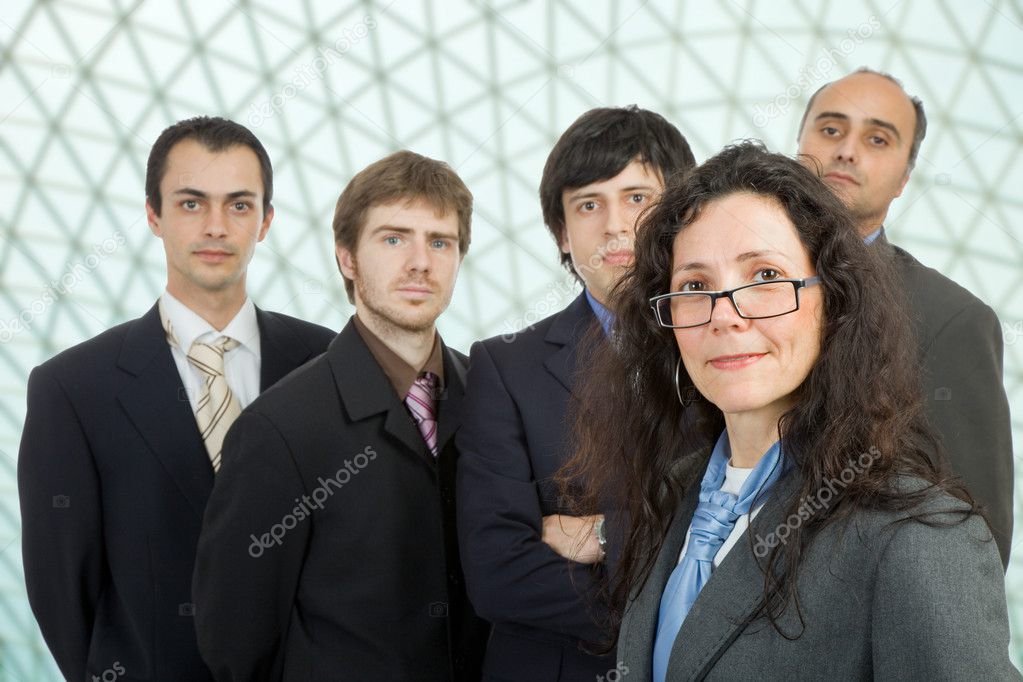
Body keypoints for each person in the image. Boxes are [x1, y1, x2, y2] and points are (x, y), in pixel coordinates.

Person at [560, 141, 1018, 680]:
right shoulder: (671, 495)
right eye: (695, 285)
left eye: (765, 277)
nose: (725, 316)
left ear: (834, 302)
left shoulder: (918, 535)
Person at [17, 116, 335, 681]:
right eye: (192, 204)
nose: (216, 226)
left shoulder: (328, 364)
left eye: (239, 205)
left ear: (266, 222)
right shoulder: (72, 388)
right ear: (153, 216)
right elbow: (62, 588)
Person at [192, 150, 488, 681]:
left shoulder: (494, 399)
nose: (420, 261)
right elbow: (236, 643)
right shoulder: (278, 430)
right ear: (347, 258)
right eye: (394, 238)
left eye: (439, 242)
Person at [456, 105, 695, 681]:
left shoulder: (735, 343)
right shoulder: (505, 367)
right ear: (562, 232)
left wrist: (603, 532)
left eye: (638, 198)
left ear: (683, 214)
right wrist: (684, 608)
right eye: (589, 204)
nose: (615, 225)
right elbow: (497, 574)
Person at [796, 68, 1013, 566]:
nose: (846, 150)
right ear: (799, 143)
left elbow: (976, 537)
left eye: (877, 139)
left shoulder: (951, 321)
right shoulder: (725, 281)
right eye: (830, 130)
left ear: (904, 179)